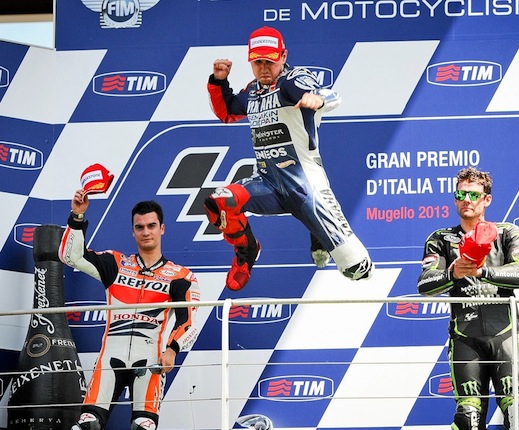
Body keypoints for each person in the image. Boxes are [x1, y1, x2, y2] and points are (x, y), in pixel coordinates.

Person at [204, 25, 373, 291]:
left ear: (283, 56)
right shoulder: (253, 90)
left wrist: (317, 99)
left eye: (270, 62)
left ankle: (317, 232)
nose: (264, 69)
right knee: (219, 203)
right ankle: (247, 250)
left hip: (304, 186)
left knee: (358, 269)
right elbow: (227, 113)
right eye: (257, 62)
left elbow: (329, 95)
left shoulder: (293, 80)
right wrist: (219, 82)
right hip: (267, 184)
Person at [58, 190, 200, 430]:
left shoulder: (180, 276)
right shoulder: (116, 264)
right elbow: (70, 256)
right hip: (109, 359)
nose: (146, 232)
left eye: (151, 226)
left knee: (143, 426)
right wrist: (77, 216)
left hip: (149, 361)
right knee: (87, 425)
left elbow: (188, 321)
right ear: (133, 231)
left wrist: (172, 349)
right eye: (139, 227)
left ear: (162, 229)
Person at [417, 167, 519, 430]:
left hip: (505, 336)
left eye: (473, 195)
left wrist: (482, 272)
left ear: (487, 199)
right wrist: (452, 273)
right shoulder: (440, 239)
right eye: (460, 194)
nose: (466, 200)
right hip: (465, 338)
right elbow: (425, 284)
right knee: (467, 419)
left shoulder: (507, 232)